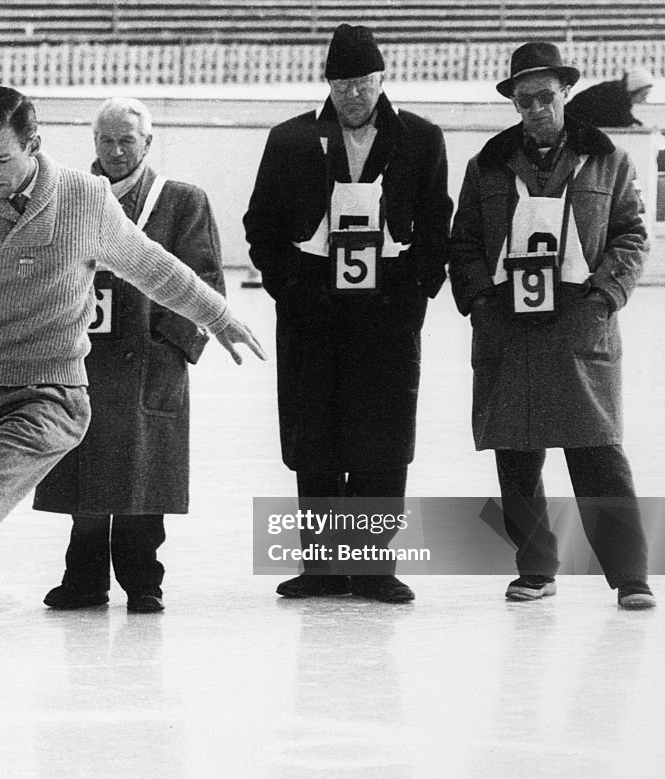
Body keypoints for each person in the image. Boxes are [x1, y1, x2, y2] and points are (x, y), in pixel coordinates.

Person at [0, 86, 265, 721]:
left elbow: (154, 265)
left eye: (0, 160)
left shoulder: (83, 201)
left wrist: (219, 314)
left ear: (33, 146)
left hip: (54, 394)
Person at [243, 23, 451, 604]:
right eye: (342, 84)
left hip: (386, 314)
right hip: (314, 312)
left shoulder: (420, 139)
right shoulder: (290, 141)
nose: (353, 95)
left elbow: (438, 221)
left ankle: (376, 568)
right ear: (327, 85)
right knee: (317, 436)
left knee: (382, 438)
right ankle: (325, 568)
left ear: (382, 80)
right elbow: (259, 223)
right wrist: (289, 285)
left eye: (362, 83)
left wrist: (415, 293)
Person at [448, 42, 655, 610]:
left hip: (579, 326)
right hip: (509, 328)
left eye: (545, 96)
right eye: (524, 99)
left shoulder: (607, 158)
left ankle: (630, 574)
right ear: (513, 103)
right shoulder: (486, 165)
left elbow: (632, 235)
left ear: (565, 93)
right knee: (515, 456)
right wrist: (482, 301)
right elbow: (462, 242)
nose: (536, 108)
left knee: (597, 453)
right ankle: (535, 567)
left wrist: (605, 296)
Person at [33, 98, 226, 614]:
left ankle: (144, 580)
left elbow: (204, 279)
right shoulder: (68, 197)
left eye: (126, 141)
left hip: (146, 361)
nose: (116, 152)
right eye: (106, 140)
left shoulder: (182, 201)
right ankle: (84, 578)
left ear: (147, 143)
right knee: (86, 477)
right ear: (93, 142)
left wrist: (169, 346)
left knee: (144, 480)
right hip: (82, 357)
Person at [565, 67, 654, 128]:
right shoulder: (614, 94)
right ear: (634, 90)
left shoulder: (618, 91)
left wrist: (639, 124)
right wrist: (639, 125)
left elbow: (625, 117)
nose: (644, 100)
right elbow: (621, 118)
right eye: (643, 95)